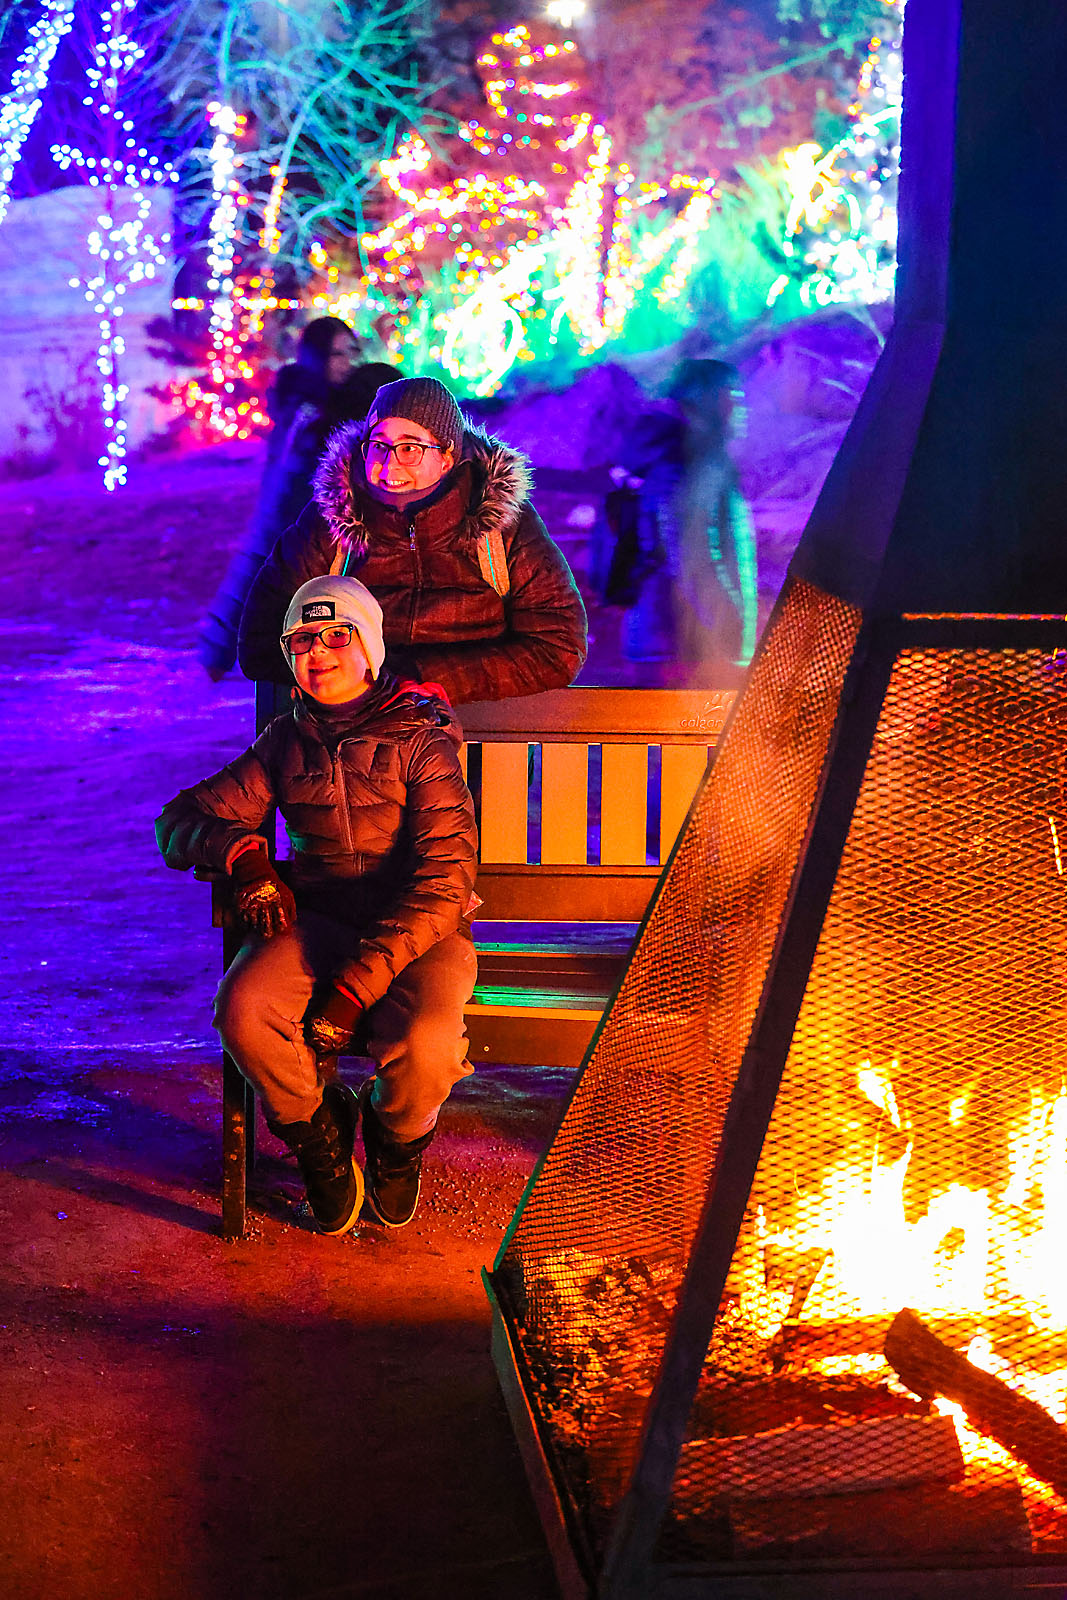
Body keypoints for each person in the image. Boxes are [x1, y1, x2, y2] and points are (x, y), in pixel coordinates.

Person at [158, 574, 478, 1236]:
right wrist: (246, 860)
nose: (318, 652)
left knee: (427, 1044)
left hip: (419, 934)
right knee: (244, 1009)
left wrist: (353, 991)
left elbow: (445, 879)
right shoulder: (285, 741)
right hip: (319, 922)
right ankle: (317, 1138)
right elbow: (180, 820)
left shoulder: (422, 741)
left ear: (369, 648)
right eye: (302, 639)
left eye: (337, 635)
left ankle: (395, 1139)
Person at [237, 375, 588, 706]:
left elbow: (558, 647)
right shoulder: (331, 525)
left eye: (410, 448)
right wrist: (350, 679)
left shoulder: (502, 526)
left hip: (481, 739)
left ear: (446, 456)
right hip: (357, 737)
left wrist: (423, 679)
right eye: (379, 445)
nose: (389, 466)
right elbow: (260, 640)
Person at [197, 318, 401, 680]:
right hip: (287, 511)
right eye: (336, 354)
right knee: (258, 578)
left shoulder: (344, 401)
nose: (346, 362)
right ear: (316, 357)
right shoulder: (306, 403)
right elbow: (293, 467)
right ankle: (222, 655)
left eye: (351, 352)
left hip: (306, 515)